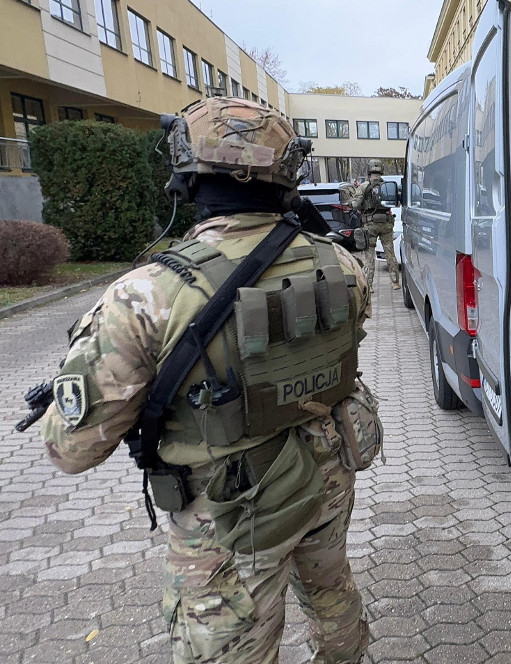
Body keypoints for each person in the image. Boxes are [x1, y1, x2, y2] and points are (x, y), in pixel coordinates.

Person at [39, 97, 375, 663]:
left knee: (225, 644)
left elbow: (71, 449)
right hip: (327, 469)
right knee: (329, 585)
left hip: (229, 508)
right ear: (285, 172)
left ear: (186, 176)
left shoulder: (144, 295)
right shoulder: (340, 263)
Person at [351, 163, 400, 290]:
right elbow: (397, 202)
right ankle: (395, 282)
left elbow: (356, 204)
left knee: (369, 255)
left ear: (369, 171)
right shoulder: (387, 186)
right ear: (381, 171)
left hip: (370, 225)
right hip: (386, 224)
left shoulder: (364, 186)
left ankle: (369, 285)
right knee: (390, 253)